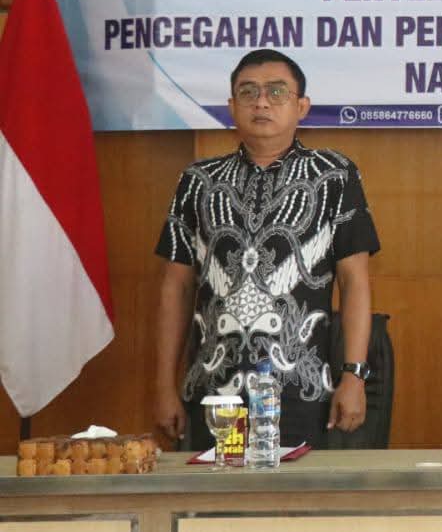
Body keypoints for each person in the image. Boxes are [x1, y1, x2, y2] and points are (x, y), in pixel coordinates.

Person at [153, 49, 380, 450]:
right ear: (231, 107)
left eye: (277, 92)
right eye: (248, 92)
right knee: (214, 490)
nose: (261, 102)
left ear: (301, 107)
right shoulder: (198, 181)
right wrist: (163, 384)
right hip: (214, 392)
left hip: (303, 390)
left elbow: (355, 282)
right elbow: (177, 287)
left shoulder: (334, 176)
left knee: (293, 491)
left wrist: (354, 376)